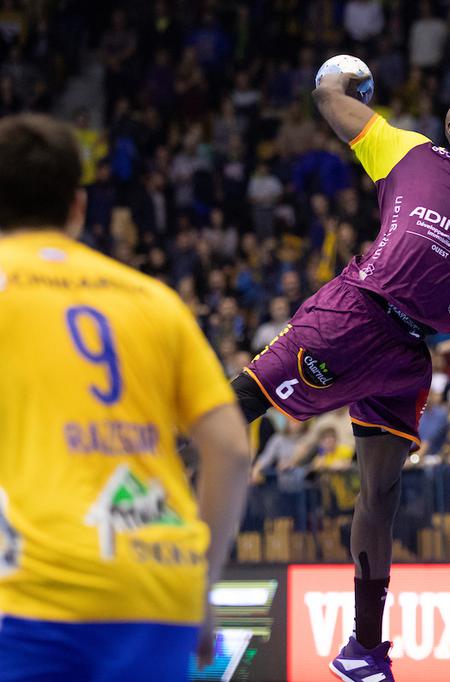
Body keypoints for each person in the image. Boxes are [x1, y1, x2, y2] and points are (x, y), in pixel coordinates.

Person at [231, 73, 450, 681]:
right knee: (239, 405)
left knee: (382, 494)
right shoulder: (408, 150)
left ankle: (363, 649)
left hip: (409, 355)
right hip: (355, 313)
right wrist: (336, 79)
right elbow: (328, 102)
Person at [0, 114, 251, 680]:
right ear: (78, 206)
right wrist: (202, 589)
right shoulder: (153, 299)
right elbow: (231, 451)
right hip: (157, 583)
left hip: (30, 590)